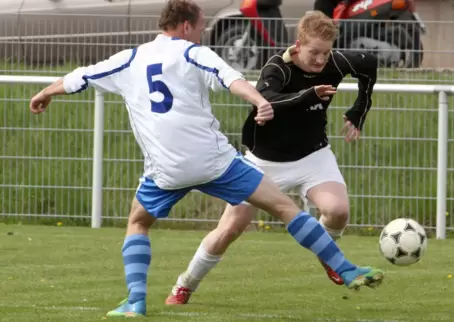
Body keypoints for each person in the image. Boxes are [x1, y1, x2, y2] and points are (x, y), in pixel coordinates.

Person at [29, 1, 383, 317]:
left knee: (138, 222)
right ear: (186, 26)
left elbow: (80, 78)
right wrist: (258, 101)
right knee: (285, 207)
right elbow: (231, 79)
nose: (201, 34)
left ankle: (136, 301)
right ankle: (346, 268)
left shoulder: (129, 59)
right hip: (215, 161)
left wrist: (45, 92)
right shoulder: (192, 53)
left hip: (165, 169)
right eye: (200, 27)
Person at [165, 10, 378, 305]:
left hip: (313, 154)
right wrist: (309, 95)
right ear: (299, 44)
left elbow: (369, 65)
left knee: (338, 211)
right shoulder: (277, 67)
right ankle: (184, 285)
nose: (320, 60)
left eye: (325, 53)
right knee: (228, 230)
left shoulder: (336, 61)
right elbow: (269, 100)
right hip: (263, 162)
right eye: (314, 52)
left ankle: (331, 262)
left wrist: (359, 110)